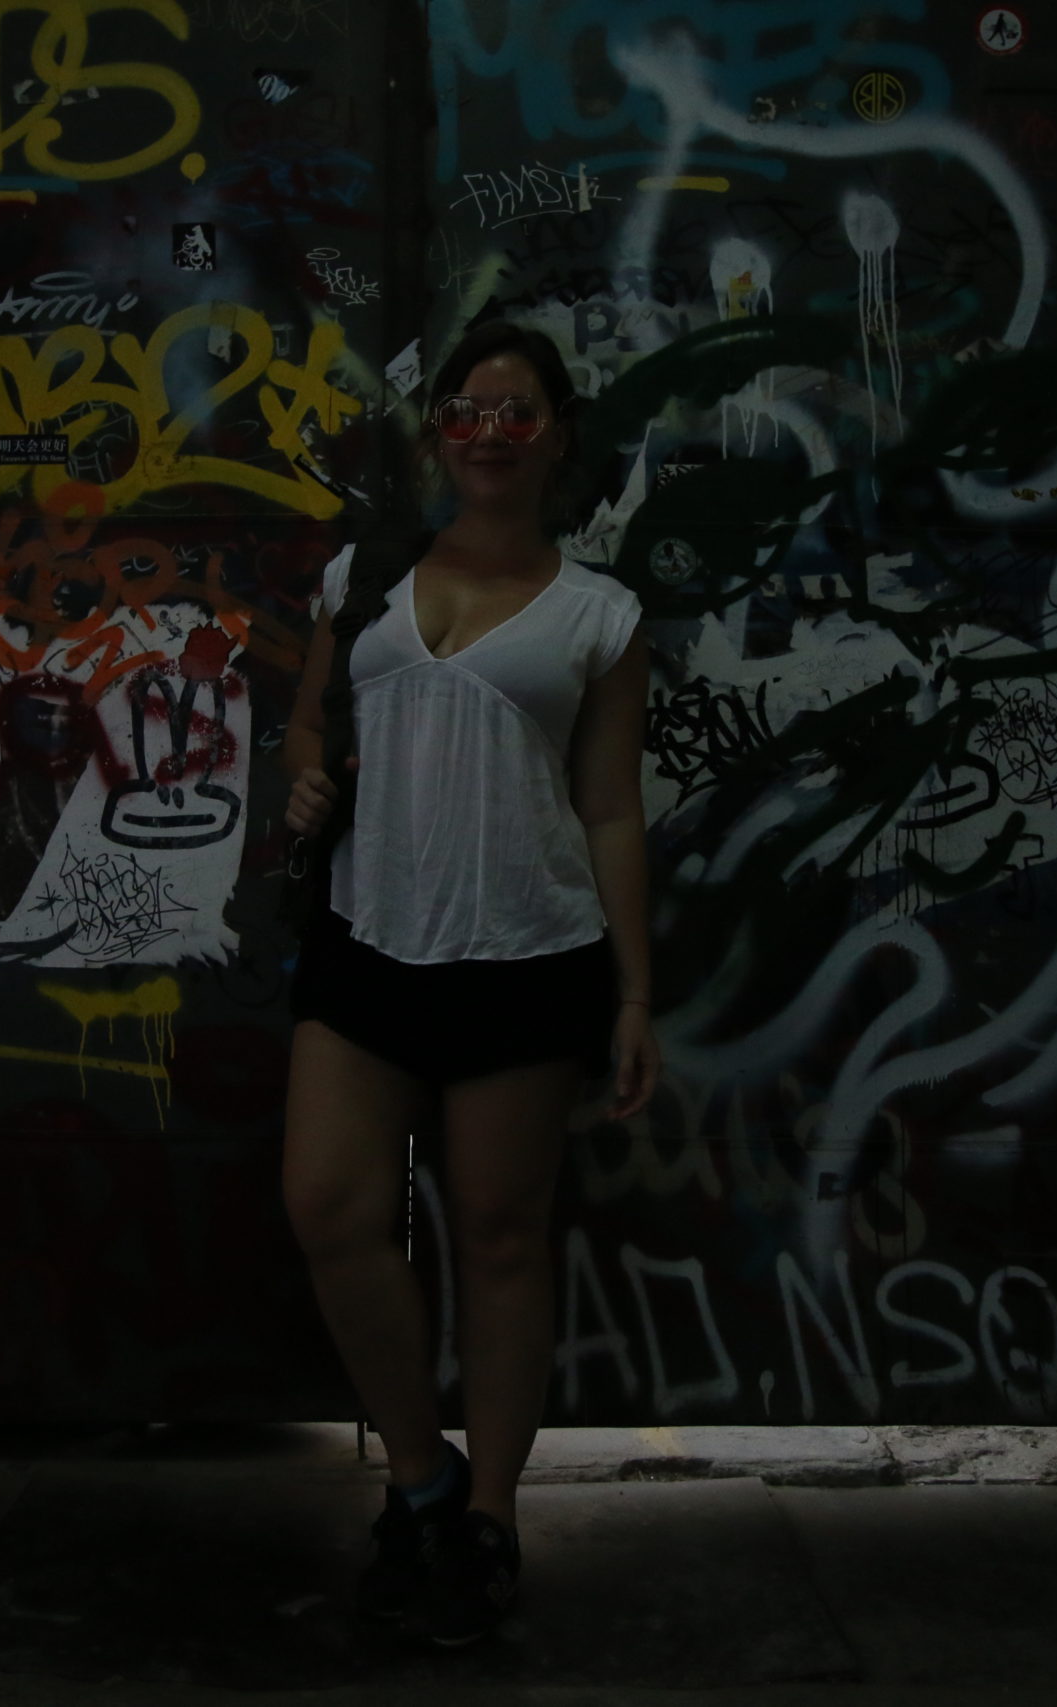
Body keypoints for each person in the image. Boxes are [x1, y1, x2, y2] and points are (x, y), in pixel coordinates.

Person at [277, 319, 659, 1646]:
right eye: (465, 410)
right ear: (438, 433)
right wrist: (304, 779)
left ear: (556, 435)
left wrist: (634, 995)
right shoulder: (366, 574)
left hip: (527, 950)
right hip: (367, 936)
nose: (488, 431)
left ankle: (488, 1519)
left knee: (500, 1240)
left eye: (516, 411)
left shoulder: (601, 613)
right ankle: (420, 1478)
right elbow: (309, 724)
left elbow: (611, 810)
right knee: (329, 1206)